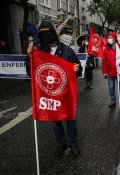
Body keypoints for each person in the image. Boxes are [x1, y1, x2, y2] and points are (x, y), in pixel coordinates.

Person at [26, 20, 83, 157]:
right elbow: (31, 72)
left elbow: (79, 69)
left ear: (53, 33)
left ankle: (72, 143)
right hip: (50, 94)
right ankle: (61, 143)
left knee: (70, 118)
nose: (45, 36)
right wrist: (29, 57)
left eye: (47, 33)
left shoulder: (67, 50)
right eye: (42, 34)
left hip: (66, 92)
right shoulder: (38, 52)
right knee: (55, 119)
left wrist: (76, 68)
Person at [102, 32, 120, 110]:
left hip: (119, 72)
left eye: (111, 37)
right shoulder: (106, 49)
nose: (109, 39)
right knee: (111, 87)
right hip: (110, 72)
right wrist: (104, 72)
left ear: (115, 39)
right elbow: (104, 61)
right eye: (108, 37)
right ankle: (113, 101)